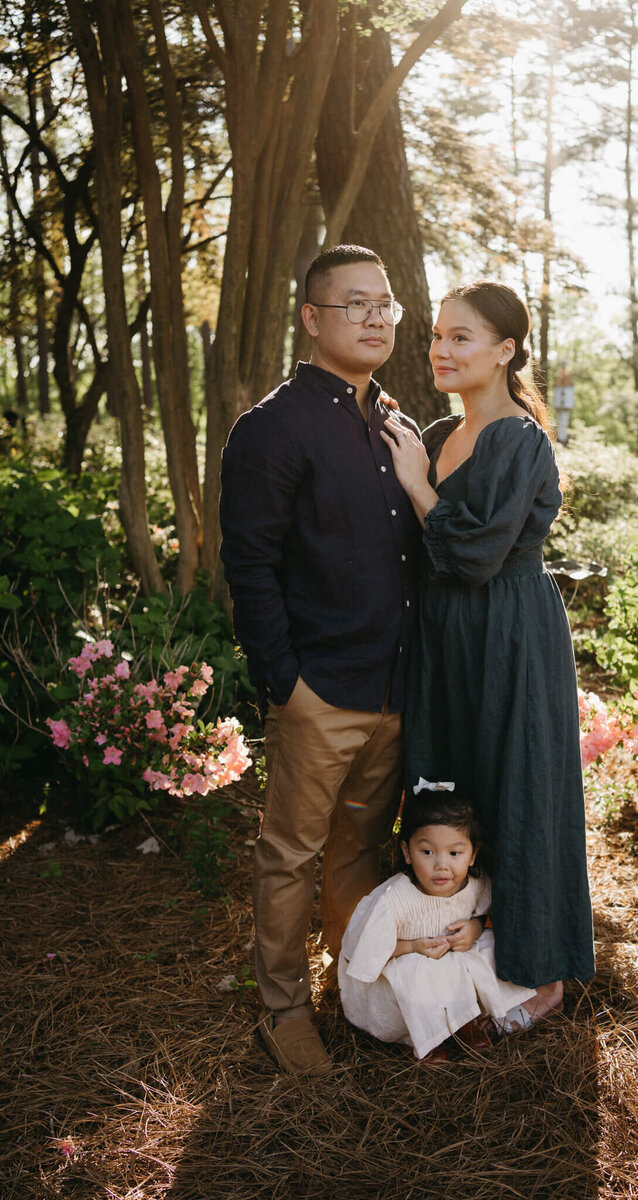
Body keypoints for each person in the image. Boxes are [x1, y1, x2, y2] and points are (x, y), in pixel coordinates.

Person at [219, 245, 421, 1074]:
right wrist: (285, 683)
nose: (377, 317)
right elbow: (250, 566)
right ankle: (281, 1012)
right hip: (319, 692)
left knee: (359, 852)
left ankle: (355, 993)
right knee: (291, 856)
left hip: (394, 685)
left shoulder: (394, 420)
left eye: (387, 304)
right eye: (355, 304)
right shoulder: (272, 427)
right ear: (311, 317)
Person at [380, 280, 595, 1018]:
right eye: (437, 335)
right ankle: (457, 965)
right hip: (445, 635)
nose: (441, 349)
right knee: (453, 788)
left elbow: (473, 554)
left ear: (506, 351)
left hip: (509, 629)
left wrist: (415, 483)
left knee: (520, 789)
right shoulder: (439, 435)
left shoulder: (519, 438)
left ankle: (544, 975)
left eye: (460, 337)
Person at [339, 782, 538, 1062]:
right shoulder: (394, 900)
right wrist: (413, 946)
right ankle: (417, 1038)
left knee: (488, 946)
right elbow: (367, 954)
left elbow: (487, 914)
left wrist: (476, 926)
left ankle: (463, 1021)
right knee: (416, 972)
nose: (442, 865)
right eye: (428, 852)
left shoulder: (475, 886)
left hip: (445, 966)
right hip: (397, 976)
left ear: (473, 855)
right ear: (407, 852)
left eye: (454, 853)